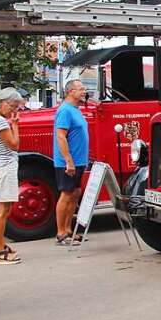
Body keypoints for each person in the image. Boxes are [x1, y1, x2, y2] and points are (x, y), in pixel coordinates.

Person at [0, 87, 25, 264]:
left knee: (4, 209)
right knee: (3, 210)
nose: (14, 110)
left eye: (16, 107)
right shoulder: (0, 122)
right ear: (2, 103)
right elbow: (14, 144)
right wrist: (15, 125)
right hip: (4, 167)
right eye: (12, 106)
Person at [53, 79, 89, 244]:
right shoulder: (65, 111)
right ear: (70, 92)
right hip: (68, 162)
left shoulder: (76, 110)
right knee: (66, 194)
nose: (84, 91)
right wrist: (69, 160)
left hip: (79, 160)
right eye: (81, 89)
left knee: (74, 194)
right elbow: (61, 136)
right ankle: (61, 233)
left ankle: (68, 229)